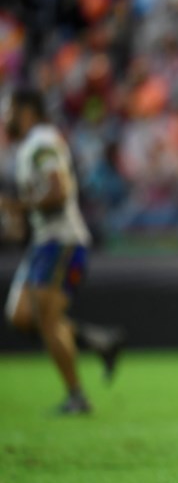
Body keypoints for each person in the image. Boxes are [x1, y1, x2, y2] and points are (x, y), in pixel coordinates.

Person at [1, 87, 125, 415]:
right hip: (44, 241)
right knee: (22, 316)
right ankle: (98, 341)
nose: (5, 116)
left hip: (62, 240)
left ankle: (76, 396)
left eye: (10, 109)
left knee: (46, 317)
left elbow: (57, 192)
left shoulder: (41, 143)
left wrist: (15, 206)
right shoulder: (27, 148)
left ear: (27, 111)